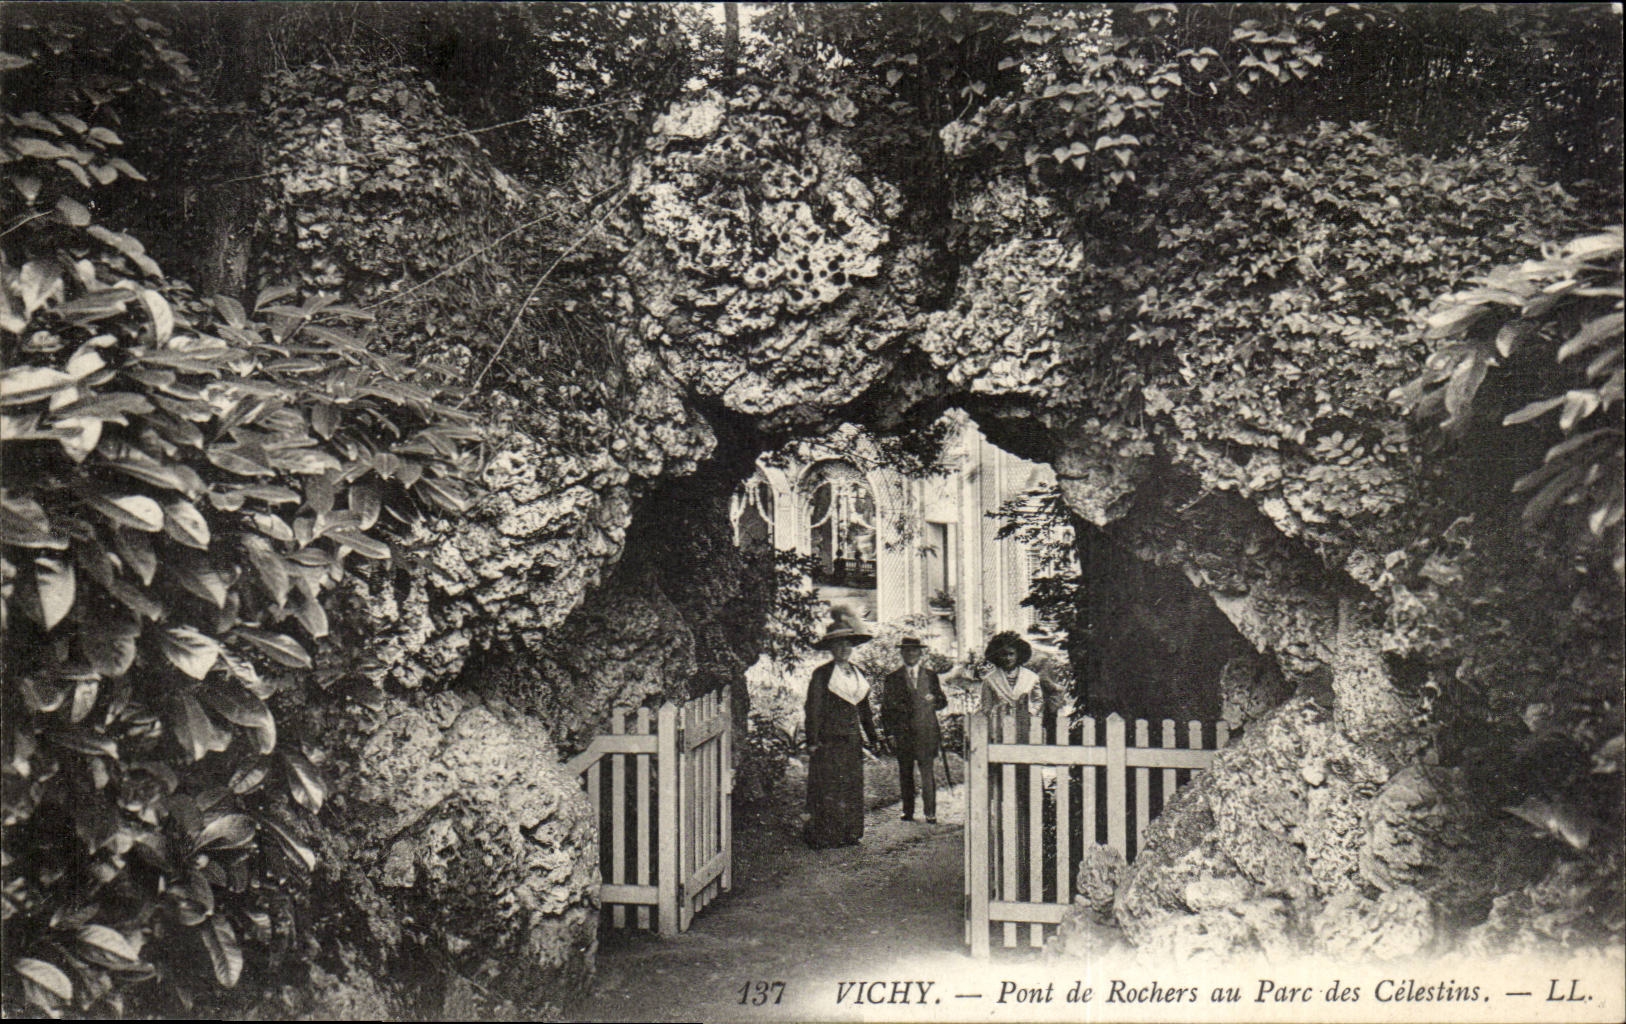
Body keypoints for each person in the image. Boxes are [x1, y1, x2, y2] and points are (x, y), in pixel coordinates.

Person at [803, 608, 881, 849]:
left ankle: (850, 832)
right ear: (831, 649)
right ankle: (825, 835)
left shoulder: (859, 673)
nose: (844, 650)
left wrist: (873, 737)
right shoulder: (822, 674)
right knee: (828, 787)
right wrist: (812, 740)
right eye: (838, 645)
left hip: (852, 740)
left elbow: (864, 709)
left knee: (851, 786)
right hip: (829, 741)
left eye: (847, 645)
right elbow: (813, 709)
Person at [881, 637, 948, 824]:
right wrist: (890, 733)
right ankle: (907, 811)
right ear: (902, 654)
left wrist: (933, 698)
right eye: (907, 651)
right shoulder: (893, 678)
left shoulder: (931, 676)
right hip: (904, 734)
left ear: (920, 653)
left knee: (927, 772)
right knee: (906, 773)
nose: (910, 654)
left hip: (926, 732)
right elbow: (886, 709)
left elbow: (943, 702)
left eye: (914, 651)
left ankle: (930, 812)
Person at [976, 631, 1059, 741]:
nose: (1008, 658)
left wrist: (1030, 713)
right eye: (1004, 654)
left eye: (1011, 654)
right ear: (997, 656)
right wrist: (997, 713)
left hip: (1027, 724)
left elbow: (1038, 700)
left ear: (1018, 655)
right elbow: (986, 706)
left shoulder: (1031, 677)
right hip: (1000, 725)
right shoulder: (989, 680)